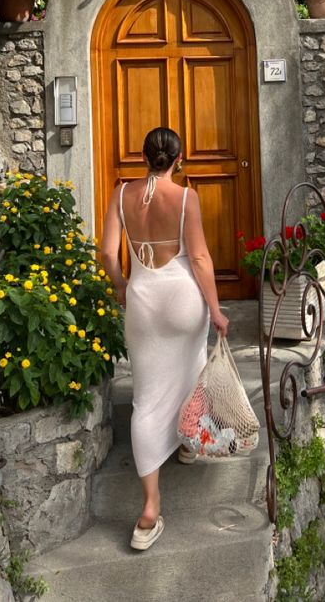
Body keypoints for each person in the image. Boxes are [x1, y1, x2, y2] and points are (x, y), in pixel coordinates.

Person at [101, 126, 229, 551]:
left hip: (143, 303)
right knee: (191, 367)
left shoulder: (121, 194)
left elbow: (106, 252)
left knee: (147, 398)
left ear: (143, 156)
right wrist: (215, 308)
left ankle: (149, 511)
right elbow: (199, 257)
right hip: (182, 300)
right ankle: (188, 444)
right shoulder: (186, 198)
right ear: (179, 159)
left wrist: (120, 284)